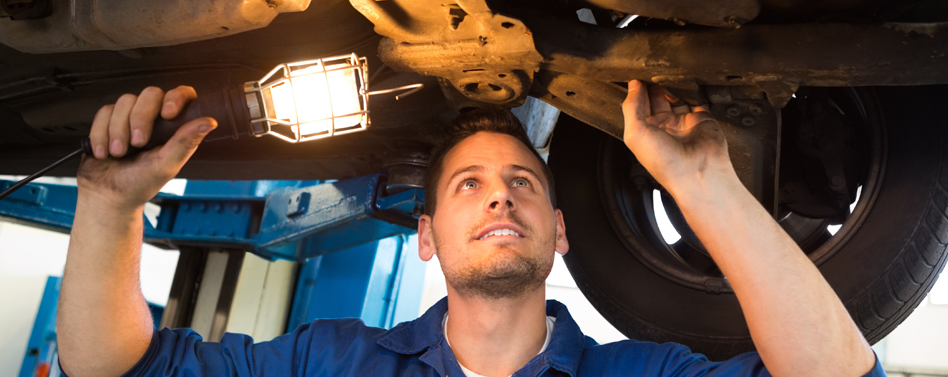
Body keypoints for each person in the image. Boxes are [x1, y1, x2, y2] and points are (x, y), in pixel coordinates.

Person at [57, 81, 885, 377]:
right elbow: (114, 372)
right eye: (470, 186)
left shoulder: (643, 375)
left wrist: (704, 180)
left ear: (559, 231)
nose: (500, 198)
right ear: (425, 236)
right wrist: (108, 204)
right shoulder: (329, 362)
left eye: (522, 183)